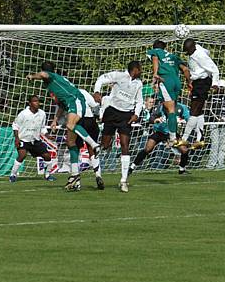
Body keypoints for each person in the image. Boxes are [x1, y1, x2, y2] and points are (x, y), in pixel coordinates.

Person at [26, 62, 101, 191]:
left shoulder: (51, 76)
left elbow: (44, 74)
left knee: (70, 125)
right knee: (70, 142)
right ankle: (75, 175)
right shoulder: (57, 84)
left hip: (76, 101)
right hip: (72, 103)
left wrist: (32, 77)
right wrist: (55, 120)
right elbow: (61, 104)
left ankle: (94, 145)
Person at [93, 61, 144, 193]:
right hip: (112, 112)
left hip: (126, 116)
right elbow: (101, 79)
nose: (142, 71)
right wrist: (97, 92)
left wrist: (136, 114)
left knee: (124, 145)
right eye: (140, 69)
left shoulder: (139, 83)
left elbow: (139, 101)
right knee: (105, 145)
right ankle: (96, 169)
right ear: (135, 69)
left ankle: (123, 180)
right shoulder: (118, 76)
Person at [52, 87, 104, 190]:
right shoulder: (82, 91)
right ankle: (98, 175)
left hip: (79, 120)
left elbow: (61, 106)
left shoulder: (63, 93)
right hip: (91, 120)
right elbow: (94, 104)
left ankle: (76, 180)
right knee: (91, 150)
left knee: (72, 145)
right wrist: (99, 115)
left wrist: (55, 120)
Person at [128, 102, 192, 186]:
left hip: (172, 133)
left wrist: (184, 121)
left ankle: (182, 169)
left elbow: (189, 119)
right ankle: (132, 167)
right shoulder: (161, 106)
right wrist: (155, 120)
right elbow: (151, 118)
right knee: (148, 149)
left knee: (184, 150)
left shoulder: (182, 107)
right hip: (159, 132)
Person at [147, 40, 191, 147]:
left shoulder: (155, 52)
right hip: (177, 82)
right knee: (169, 108)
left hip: (165, 81)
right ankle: (173, 135)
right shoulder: (173, 56)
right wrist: (189, 82)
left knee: (170, 109)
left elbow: (155, 58)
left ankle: (172, 138)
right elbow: (185, 69)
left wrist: (155, 73)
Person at [180, 38, 220, 149]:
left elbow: (215, 69)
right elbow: (207, 51)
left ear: (193, 47)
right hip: (198, 82)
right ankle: (200, 139)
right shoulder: (198, 49)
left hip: (202, 82)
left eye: (189, 51)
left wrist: (215, 83)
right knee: (198, 112)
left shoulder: (200, 55)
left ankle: (184, 138)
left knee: (193, 111)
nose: (188, 53)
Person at [9, 95, 56, 183]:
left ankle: (48, 175)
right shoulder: (23, 114)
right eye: (35, 101)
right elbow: (15, 125)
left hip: (35, 140)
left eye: (38, 101)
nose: (37, 103)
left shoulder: (42, 113)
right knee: (22, 155)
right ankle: (13, 175)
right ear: (30, 103)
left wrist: (47, 135)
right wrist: (17, 138)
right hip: (24, 139)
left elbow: (42, 128)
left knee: (47, 156)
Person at [206, 79, 225, 169]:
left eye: (223, 87)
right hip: (214, 123)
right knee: (215, 144)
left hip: (224, 124)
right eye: (220, 87)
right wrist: (218, 118)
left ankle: (220, 163)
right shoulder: (212, 97)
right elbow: (210, 109)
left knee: (223, 145)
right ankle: (211, 164)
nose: (221, 89)